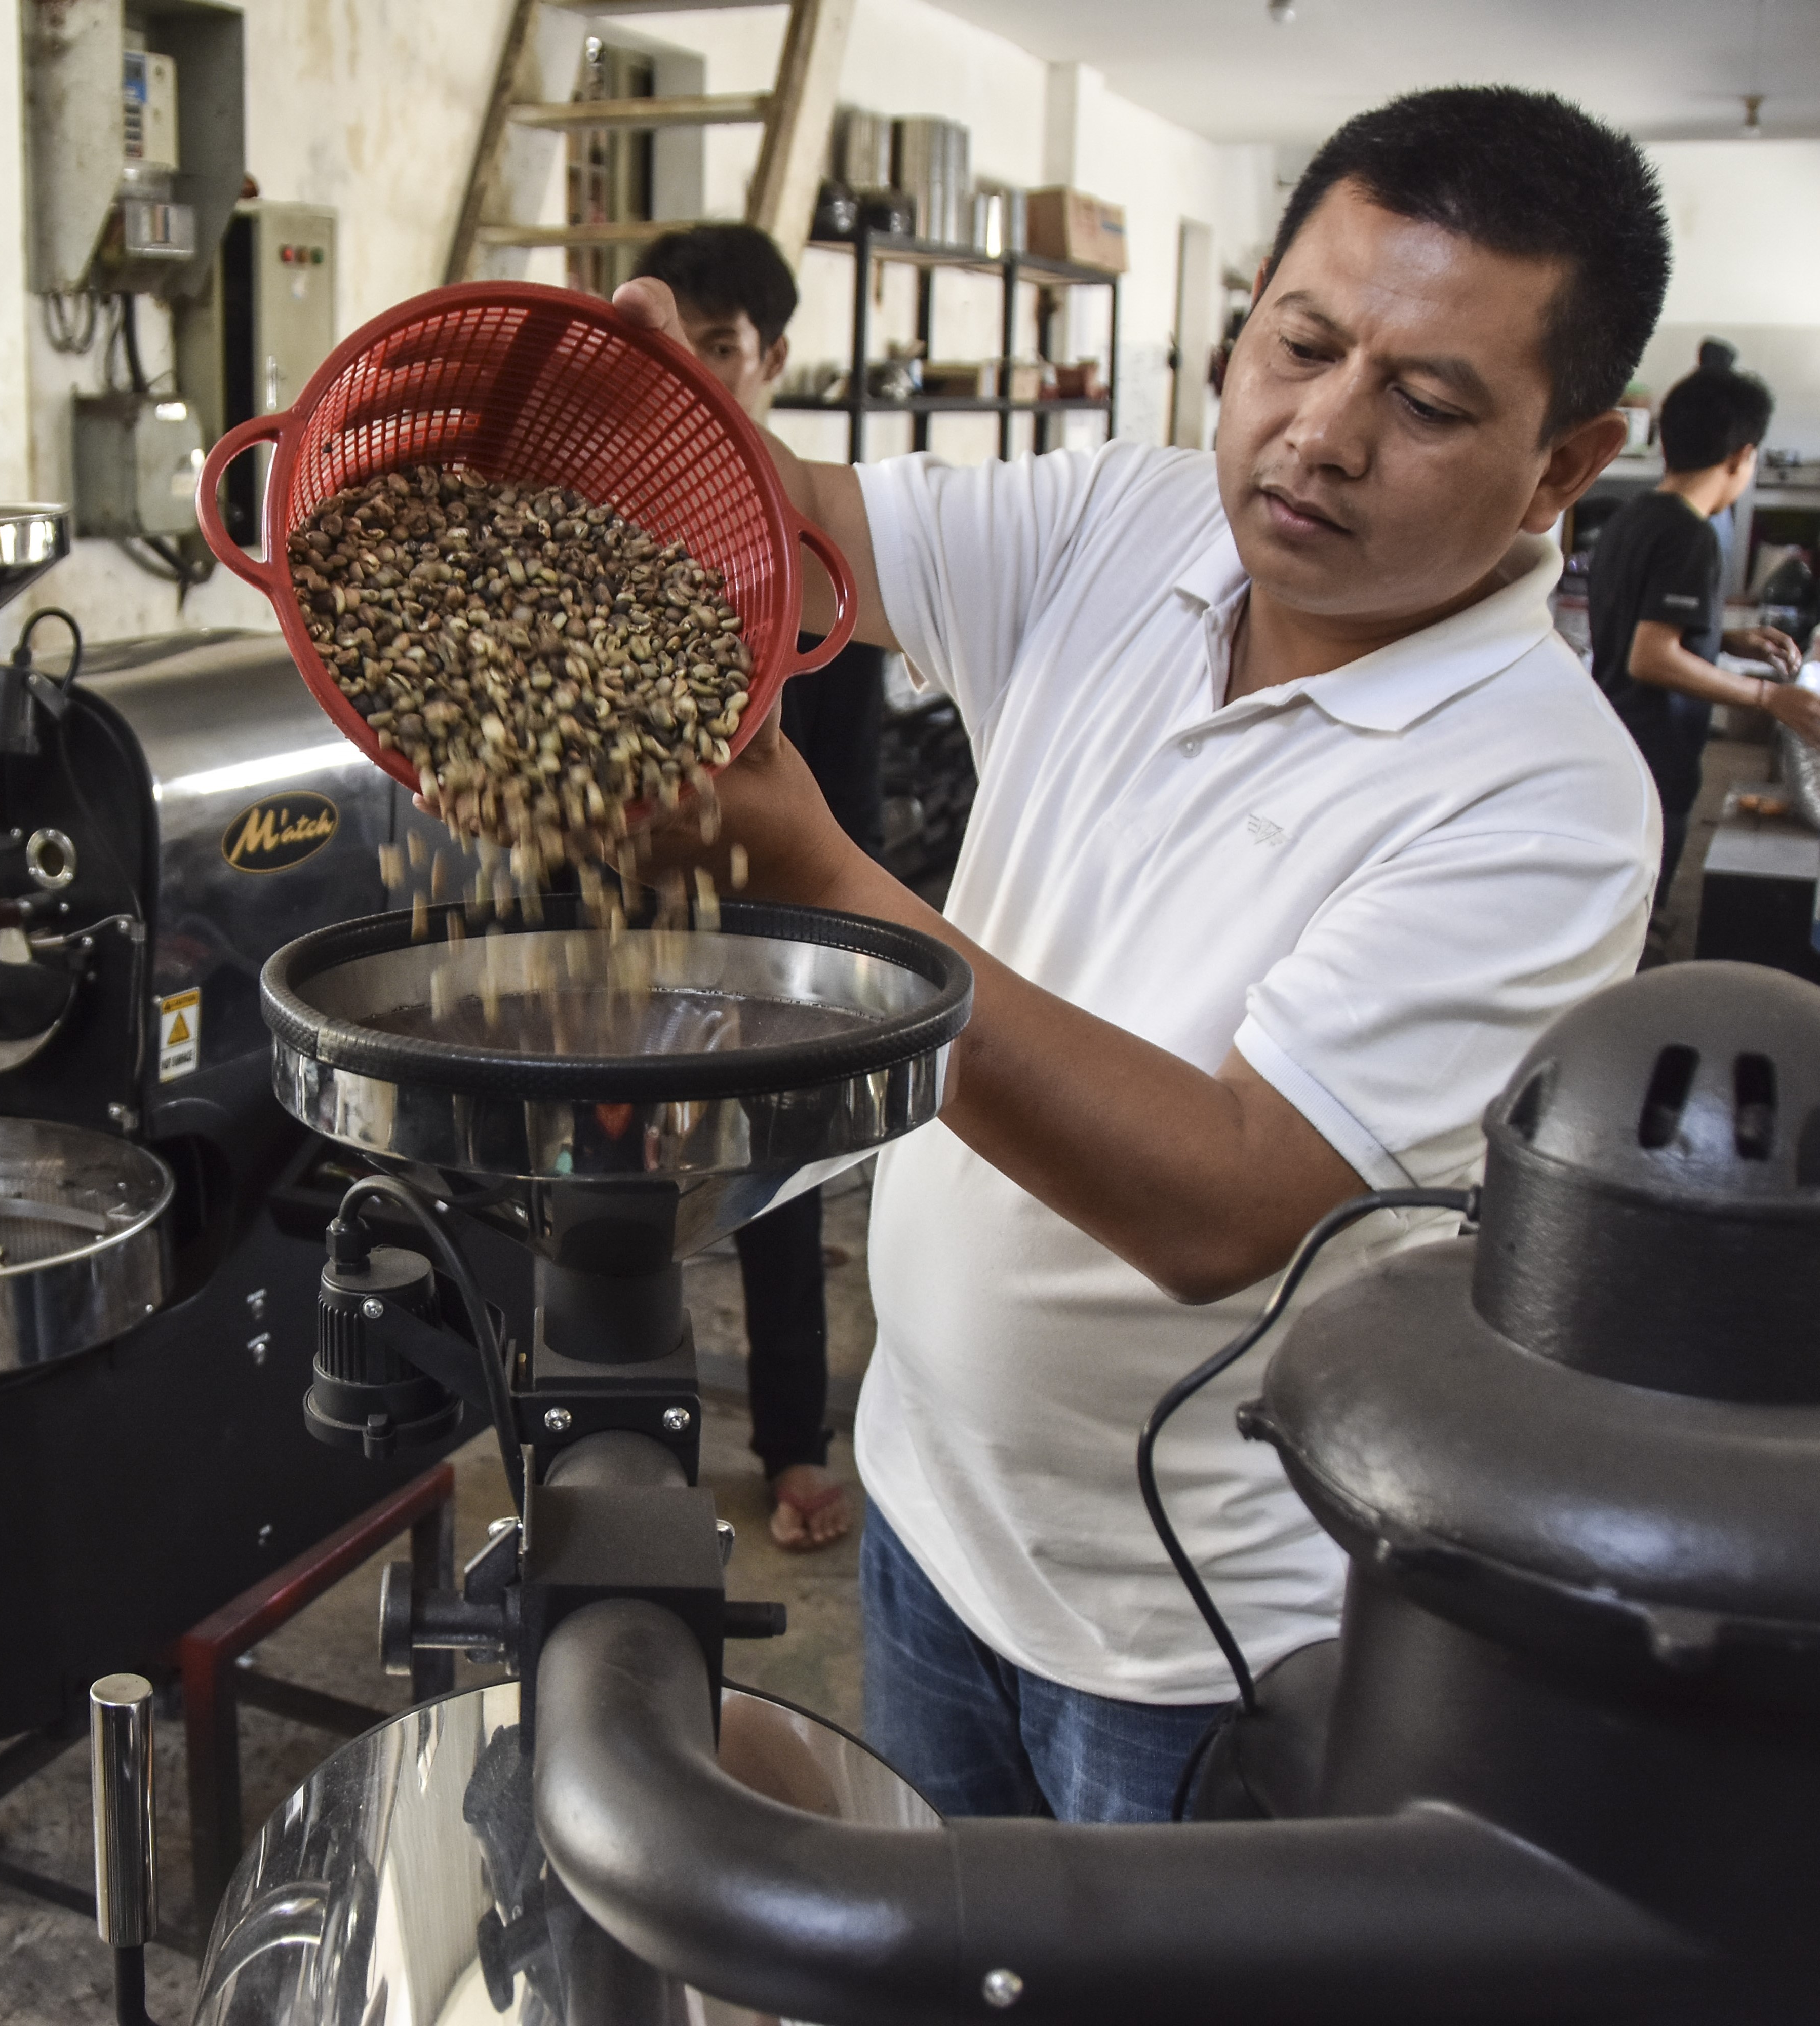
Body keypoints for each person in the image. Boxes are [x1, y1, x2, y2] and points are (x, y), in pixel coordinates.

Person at [616, 86, 1664, 1822]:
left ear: (1567, 462)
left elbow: (1221, 1199)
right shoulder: (1131, 526)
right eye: (1297, 343)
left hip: (1186, 1638)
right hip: (929, 1507)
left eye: (1420, 402)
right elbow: (789, 529)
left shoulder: (1548, 802)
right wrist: (653, 419)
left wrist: (817, 881)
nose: (1317, 436)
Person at [633, 223, 888, 1551]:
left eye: (720, 350)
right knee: (610, 1199)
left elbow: (838, 782)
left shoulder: (814, 549)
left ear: (770, 359)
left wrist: (810, 935)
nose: (694, 373)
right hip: (617, 925)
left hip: (772, 915)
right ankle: (625, 1455)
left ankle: (791, 1446)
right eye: (671, 343)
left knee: (773, 1194)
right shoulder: (602, 522)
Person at [1587, 345, 1810, 905]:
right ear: (1742, 457)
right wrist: (1767, 695)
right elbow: (1650, 656)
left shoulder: (1630, 518)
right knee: (1638, 909)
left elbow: (1637, 621)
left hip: (1613, 740)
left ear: (1664, 442)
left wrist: (1724, 636)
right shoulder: (1691, 536)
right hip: (1655, 755)